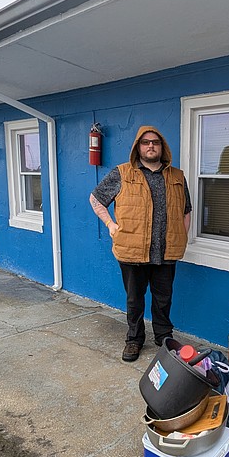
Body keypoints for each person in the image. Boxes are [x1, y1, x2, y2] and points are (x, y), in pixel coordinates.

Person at [89, 126, 191, 362]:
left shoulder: (177, 176)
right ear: (138, 147)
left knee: (164, 298)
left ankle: (164, 336)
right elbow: (96, 199)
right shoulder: (122, 173)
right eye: (145, 143)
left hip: (166, 250)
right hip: (132, 250)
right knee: (135, 299)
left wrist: (181, 236)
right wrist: (110, 225)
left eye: (155, 142)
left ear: (162, 146)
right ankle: (134, 339)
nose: (151, 146)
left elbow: (186, 210)